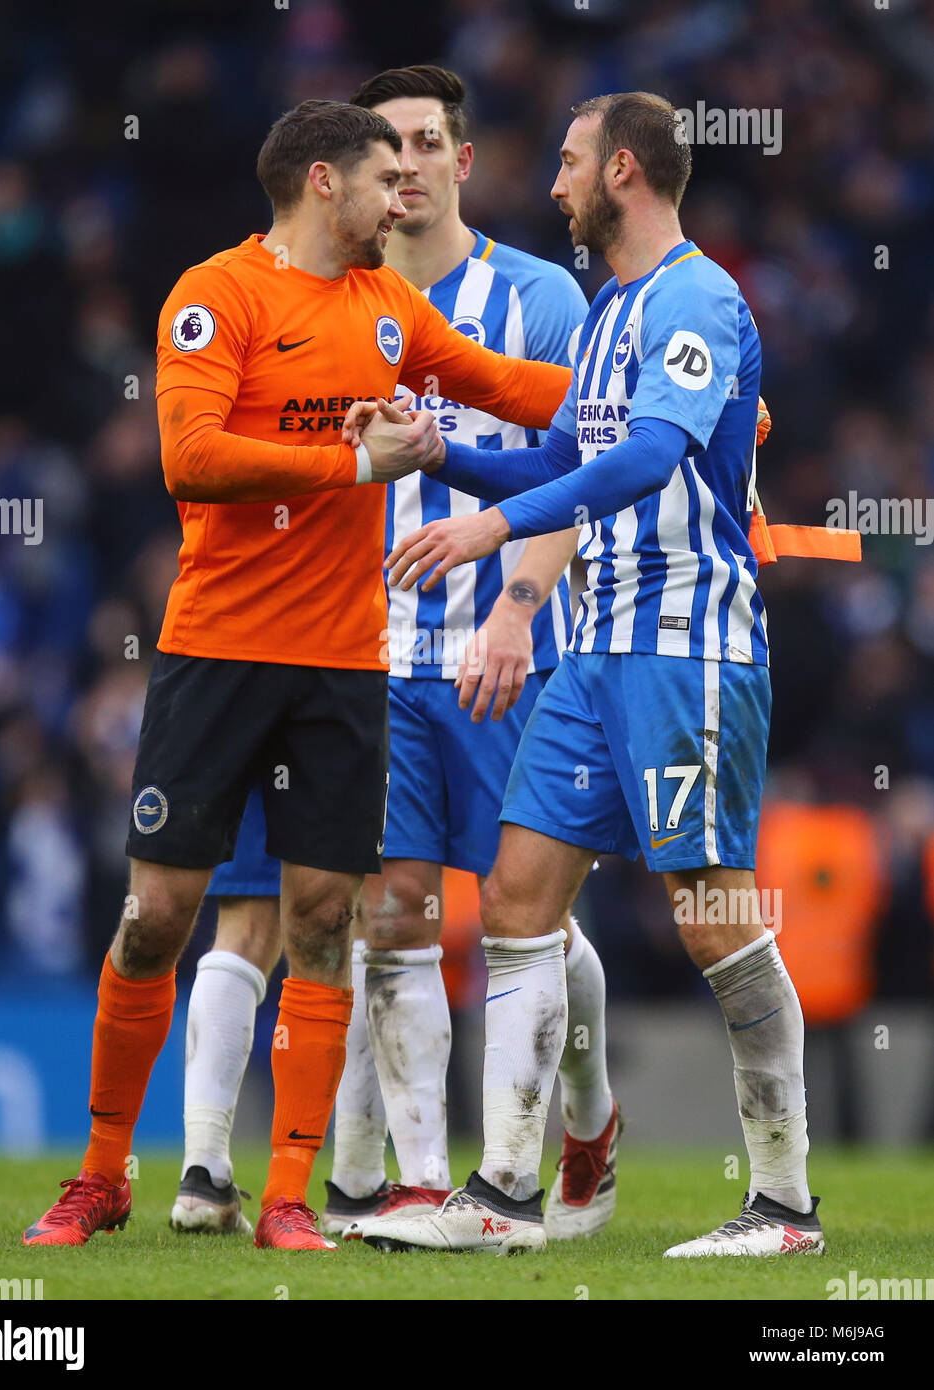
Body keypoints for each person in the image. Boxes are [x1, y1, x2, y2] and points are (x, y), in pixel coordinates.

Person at [22, 98, 569, 1252]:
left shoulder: (388, 307)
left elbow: (506, 385)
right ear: (323, 182)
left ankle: (285, 1196)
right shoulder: (215, 295)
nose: (399, 195)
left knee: (324, 919)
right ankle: (103, 1171)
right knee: (159, 914)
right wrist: (346, 459)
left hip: (339, 665)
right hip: (214, 652)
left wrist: (676, 408)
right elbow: (192, 456)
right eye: (382, 177)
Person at [362, 91, 824, 1257]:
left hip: (685, 645)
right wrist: (434, 452)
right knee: (516, 896)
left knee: (713, 917)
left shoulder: (696, 297)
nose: (552, 184)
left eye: (567, 165)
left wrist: (490, 531)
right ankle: (505, 1193)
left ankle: (781, 1204)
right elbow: (567, 451)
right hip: (596, 651)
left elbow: (654, 453)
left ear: (622, 170)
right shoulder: (612, 308)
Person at [171, 66, 620, 1247]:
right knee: (393, 911)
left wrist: (518, 604)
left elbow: (591, 454)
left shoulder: (532, 297)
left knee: (536, 922)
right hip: (358, 662)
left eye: (426, 143)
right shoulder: (317, 296)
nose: (408, 166)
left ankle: (587, 1115)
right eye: (390, 150)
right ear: (354, 174)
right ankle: (418, 1180)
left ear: (461, 161)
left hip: (505, 652)